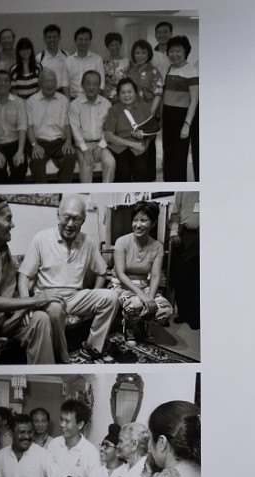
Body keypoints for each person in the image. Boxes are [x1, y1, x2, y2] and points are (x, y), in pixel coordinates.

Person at [17, 194, 120, 363]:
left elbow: (102, 271)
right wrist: (26, 304)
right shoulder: (41, 238)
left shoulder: (88, 242)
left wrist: (94, 292)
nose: (71, 224)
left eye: (77, 219)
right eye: (67, 217)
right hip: (49, 297)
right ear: (58, 215)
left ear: (83, 220)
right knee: (56, 308)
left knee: (112, 297)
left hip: (76, 297)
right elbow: (24, 274)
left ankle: (93, 346)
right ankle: (63, 358)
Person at [0, 196, 63, 364]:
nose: (12, 225)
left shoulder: (2, 247)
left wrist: (25, 307)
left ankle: (42, 378)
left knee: (40, 319)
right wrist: (33, 301)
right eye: (8, 219)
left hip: (5, 319)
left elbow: (12, 287)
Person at [111, 200, 172, 338]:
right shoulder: (121, 242)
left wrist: (150, 297)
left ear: (153, 223)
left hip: (144, 286)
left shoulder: (157, 246)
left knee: (166, 310)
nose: (138, 225)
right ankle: (129, 327)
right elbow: (121, 274)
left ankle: (144, 322)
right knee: (136, 304)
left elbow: (155, 276)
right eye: (135, 220)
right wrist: (143, 296)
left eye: (143, 220)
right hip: (121, 286)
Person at [26, 68, 75, 183]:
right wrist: (34, 145)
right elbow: (30, 127)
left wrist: (68, 142)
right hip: (39, 141)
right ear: (40, 83)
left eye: (52, 81)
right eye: (46, 81)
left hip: (59, 142)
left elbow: (67, 124)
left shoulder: (63, 100)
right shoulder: (31, 101)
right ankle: (43, 193)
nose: (49, 84)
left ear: (56, 83)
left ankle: (63, 190)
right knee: (37, 158)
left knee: (70, 155)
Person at [161, 36, 198, 182]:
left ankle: (178, 187)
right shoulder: (171, 68)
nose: (174, 54)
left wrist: (187, 124)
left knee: (179, 158)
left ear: (185, 52)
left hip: (182, 119)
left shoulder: (191, 70)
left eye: (178, 51)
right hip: (168, 118)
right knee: (168, 155)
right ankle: (167, 184)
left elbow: (194, 100)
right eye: (171, 51)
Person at [68, 70, 114, 183]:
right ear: (82, 85)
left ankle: (106, 193)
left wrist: (101, 146)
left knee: (110, 162)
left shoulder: (106, 104)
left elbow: (108, 128)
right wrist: (85, 150)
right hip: (82, 144)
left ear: (99, 86)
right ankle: (88, 196)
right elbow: (75, 130)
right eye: (88, 83)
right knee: (86, 164)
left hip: (101, 143)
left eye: (95, 84)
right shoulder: (74, 104)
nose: (91, 87)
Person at [103, 78, 153, 182]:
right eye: (123, 92)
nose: (127, 95)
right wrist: (131, 144)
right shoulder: (114, 110)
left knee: (142, 170)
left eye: (130, 92)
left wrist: (144, 137)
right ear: (118, 95)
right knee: (123, 171)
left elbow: (153, 130)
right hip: (119, 147)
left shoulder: (144, 107)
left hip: (139, 147)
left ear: (135, 93)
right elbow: (108, 135)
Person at [0, 70, 29, 183]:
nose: (2, 83)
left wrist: (20, 151)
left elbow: (22, 128)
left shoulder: (19, 102)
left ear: (10, 84)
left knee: (21, 166)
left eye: (6, 80)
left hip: (16, 143)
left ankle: (13, 193)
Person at [125, 40, 162, 179]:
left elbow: (158, 93)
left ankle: (149, 176)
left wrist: (150, 113)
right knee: (134, 143)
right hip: (133, 114)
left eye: (143, 52)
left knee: (148, 146)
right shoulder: (131, 71)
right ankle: (136, 174)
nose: (140, 55)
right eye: (137, 53)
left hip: (149, 114)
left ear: (149, 54)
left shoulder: (154, 72)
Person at [168, 192, 199, 329]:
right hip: (187, 234)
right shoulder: (183, 189)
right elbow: (175, 213)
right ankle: (183, 313)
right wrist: (174, 232)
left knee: (198, 277)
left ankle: (196, 316)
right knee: (182, 275)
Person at [65, 27, 103, 101]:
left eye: (86, 39)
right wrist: (68, 102)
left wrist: (93, 100)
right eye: (80, 39)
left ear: (90, 41)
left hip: (92, 99)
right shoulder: (68, 60)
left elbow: (101, 84)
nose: (83, 42)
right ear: (75, 41)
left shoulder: (97, 59)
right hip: (73, 99)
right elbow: (65, 84)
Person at [36, 24, 71, 97]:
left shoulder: (66, 55)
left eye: (54, 37)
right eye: (49, 37)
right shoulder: (39, 58)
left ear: (59, 38)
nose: (52, 40)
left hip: (63, 93)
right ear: (44, 38)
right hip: (46, 94)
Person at [102, 33, 130, 103]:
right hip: (107, 97)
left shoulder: (128, 62)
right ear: (107, 47)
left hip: (124, 97)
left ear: (120, 45)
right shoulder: (103, 62)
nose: (114, 47)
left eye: (117, 44)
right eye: (111, 45)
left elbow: (130, 81)